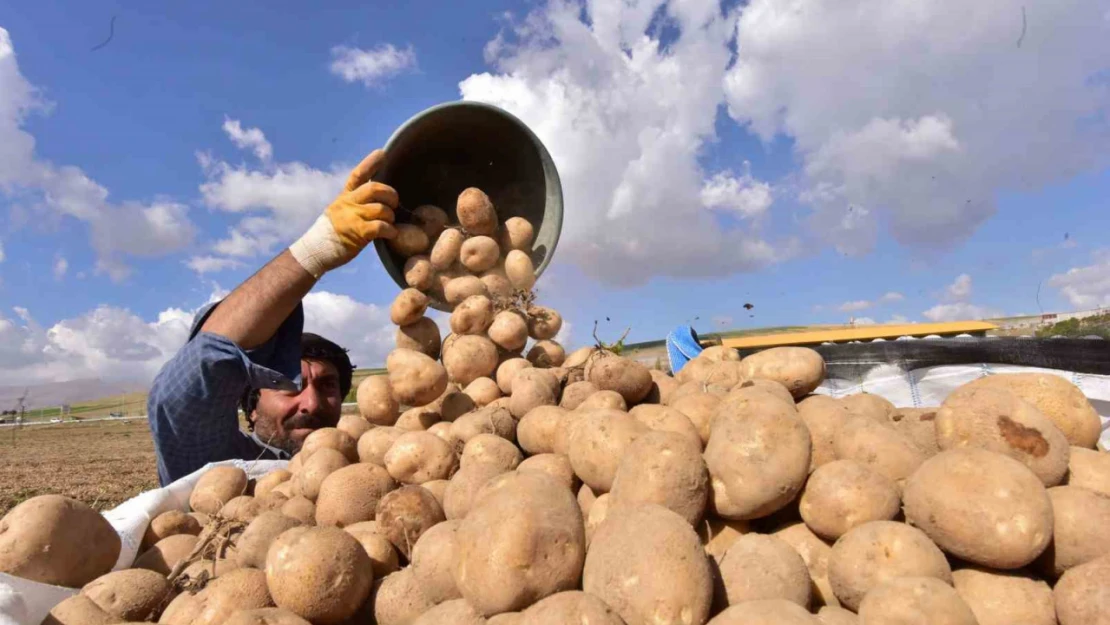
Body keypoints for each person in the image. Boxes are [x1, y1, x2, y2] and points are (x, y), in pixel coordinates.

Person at [147, 150, 399, 485]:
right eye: (289, 387)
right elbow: (184, 393)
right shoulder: (222, 468)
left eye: (327, 386)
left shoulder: (369, 466)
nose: (311, 403)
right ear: (251, 408)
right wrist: (318, 249)